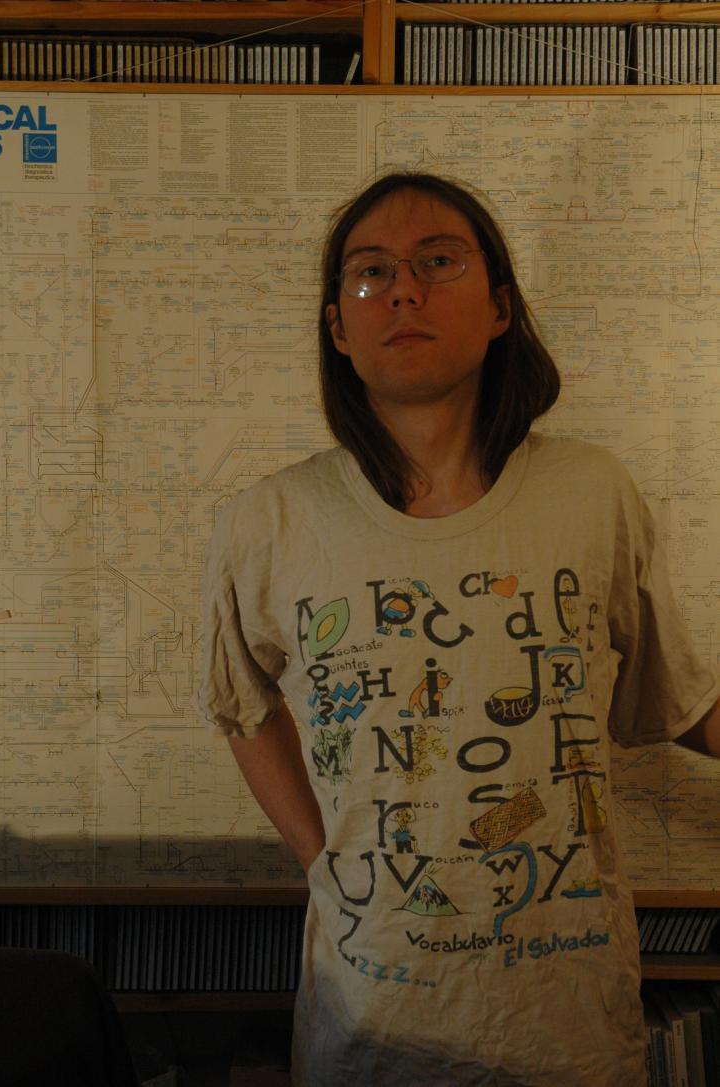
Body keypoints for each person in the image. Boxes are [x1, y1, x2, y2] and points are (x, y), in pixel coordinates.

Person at [196, 171, 720, 1087]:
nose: (402, 289)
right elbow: (241, 706)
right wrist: (324, 859)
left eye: (437, 261)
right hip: (373, 1024)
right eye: (370, 271)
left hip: (567, 1024)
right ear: (337, 327)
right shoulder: (269, 522)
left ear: (499, 308)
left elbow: (677, 698)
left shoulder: (591, 492)